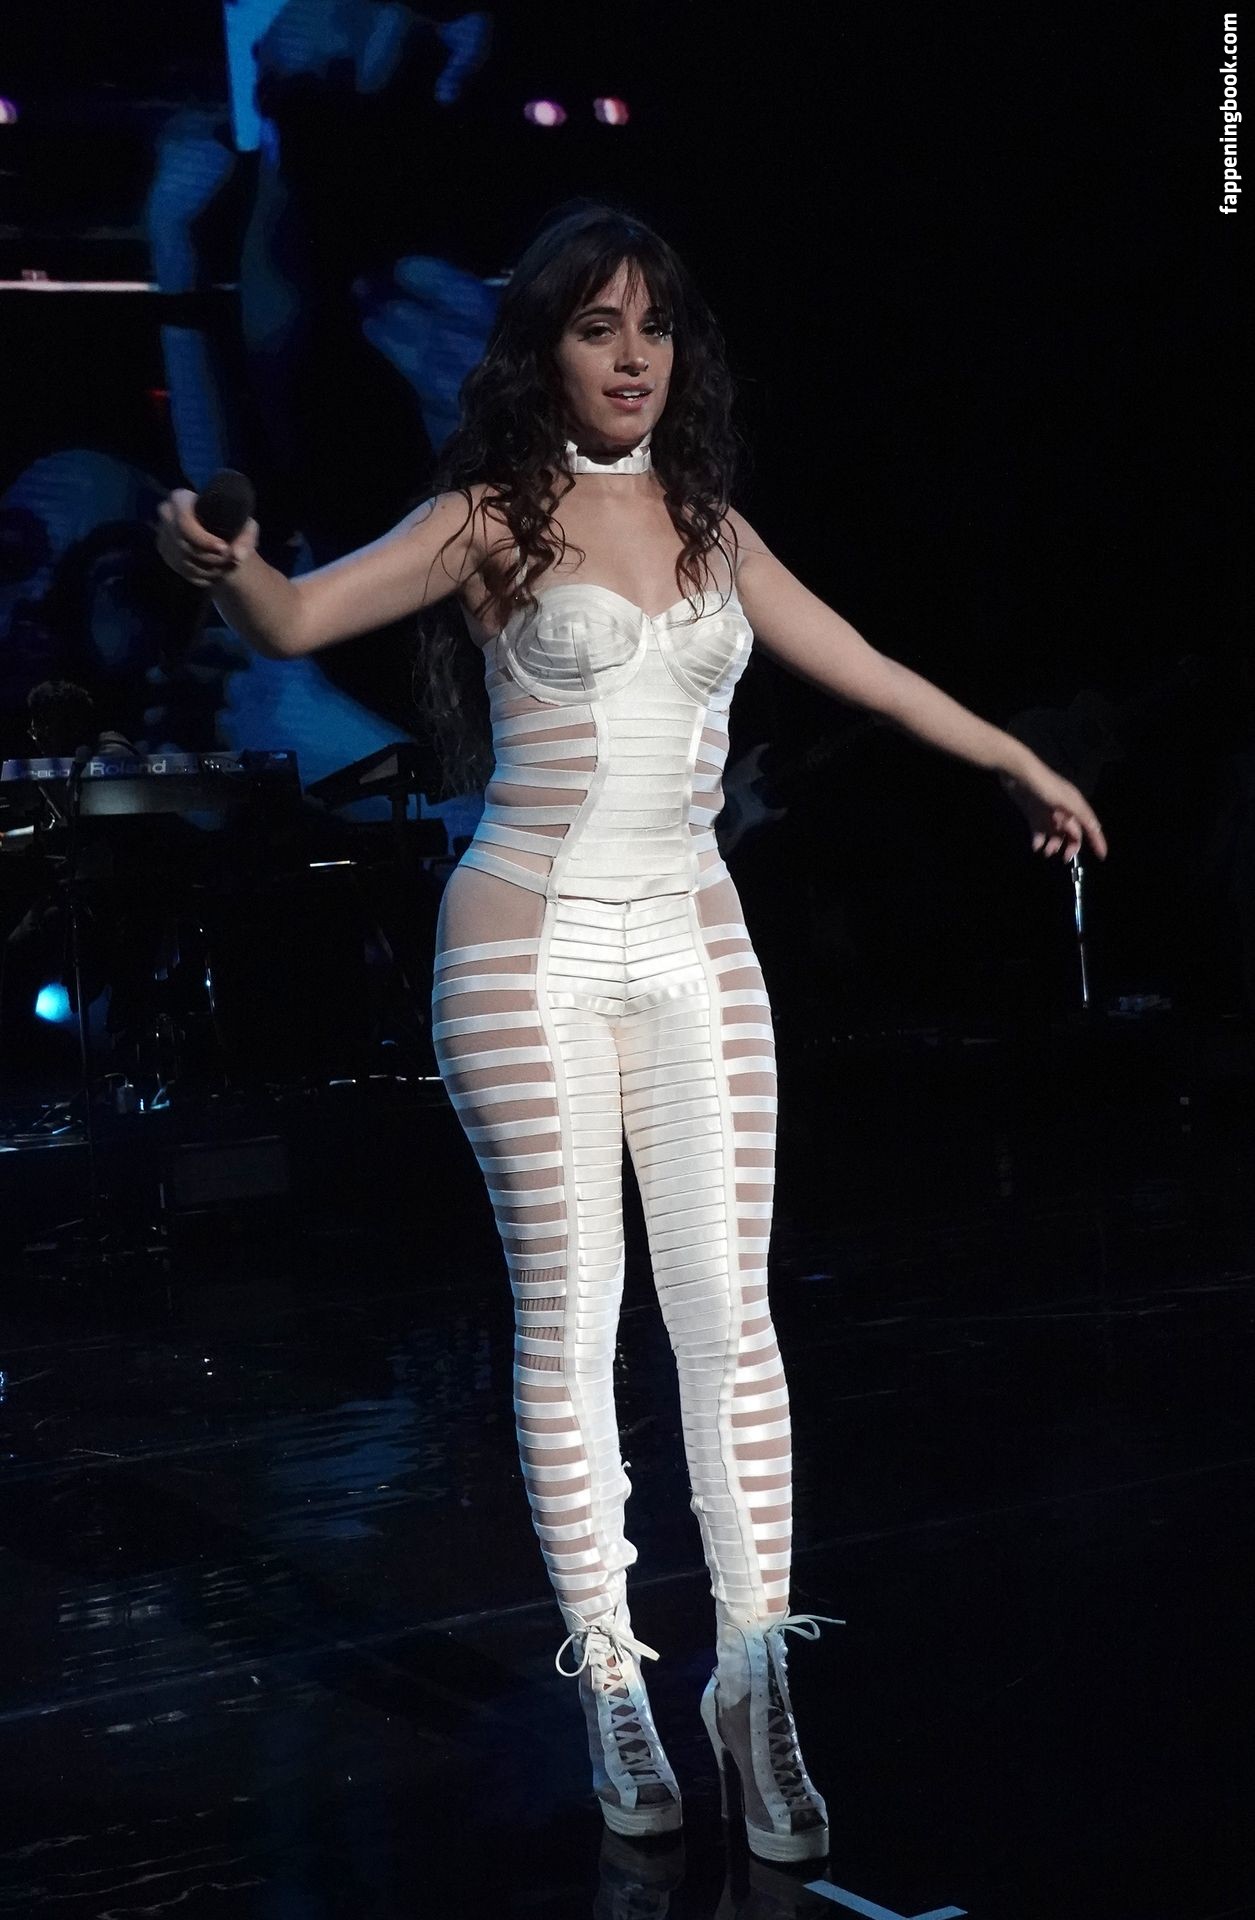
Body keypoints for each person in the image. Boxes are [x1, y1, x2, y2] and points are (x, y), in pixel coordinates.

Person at [156, 203, 1107, 1861]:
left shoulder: (712, 527)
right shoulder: (487, 517)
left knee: (732, 1319)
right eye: (598, 327)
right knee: (576, 1314)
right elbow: (298, 623)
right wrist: (226, 565)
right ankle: (613, 1678)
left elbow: (868, 666)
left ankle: (755, 1679)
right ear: (546, 349)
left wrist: (1017, 760)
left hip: (695, 940)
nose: (633, 355)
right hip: (522, 947)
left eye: (654, 327)